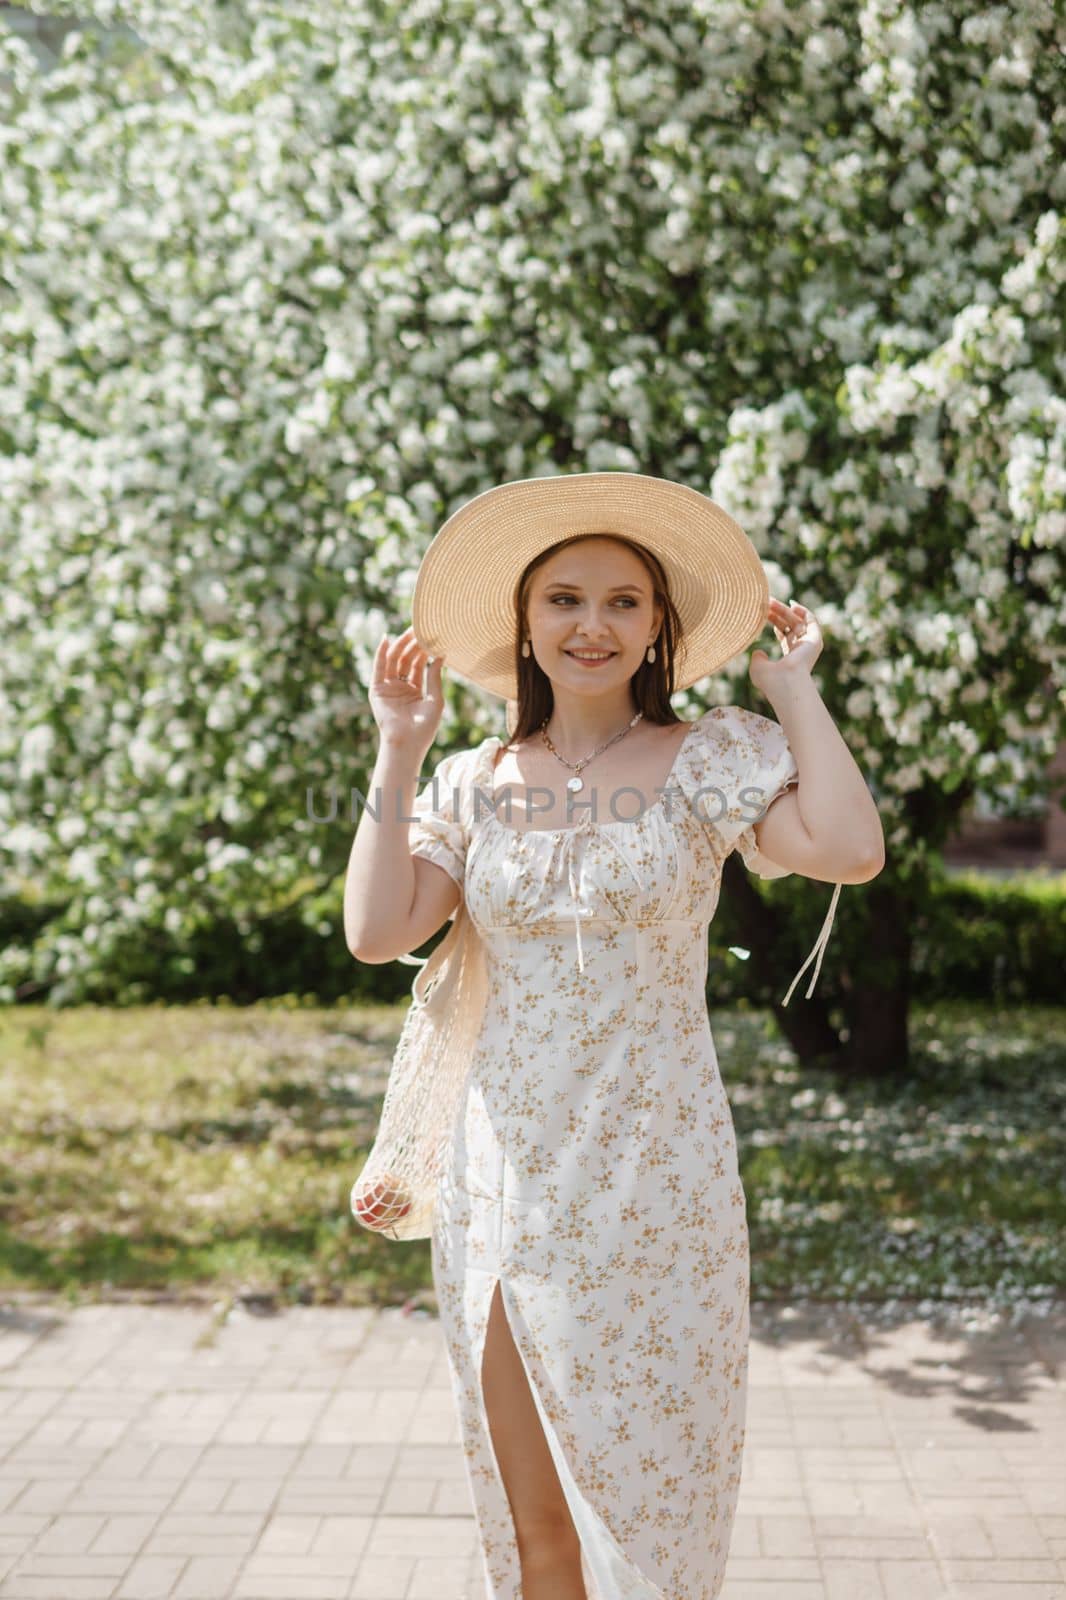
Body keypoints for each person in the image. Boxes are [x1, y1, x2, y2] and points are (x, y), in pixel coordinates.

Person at [345, 472, 884, 1600]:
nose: (593, 624)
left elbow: (845, 846)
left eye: (624, 601)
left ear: (656, 628)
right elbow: (374, 927)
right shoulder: (472, 781)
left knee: (649, 1518)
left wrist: (792, 694)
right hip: (503, 1184)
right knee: (537, 1522)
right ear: (525, 623)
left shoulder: (708, 756)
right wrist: (399, 746)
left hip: (657, 1184)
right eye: (564, 599)